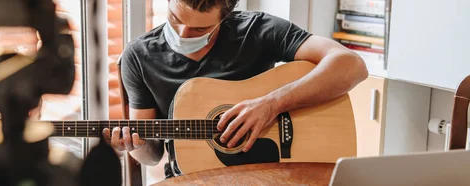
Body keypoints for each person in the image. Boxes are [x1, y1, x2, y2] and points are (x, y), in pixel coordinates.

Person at [102, 0, 369, 180]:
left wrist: (271, 105)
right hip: (194, 180)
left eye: (199, 28)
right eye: (174, 17)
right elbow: (152, 156)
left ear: (224, 18)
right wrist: (134, 145)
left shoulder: (257, 30)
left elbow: (352, 65)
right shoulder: (138, 56)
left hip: (270, 174)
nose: (182, 33)